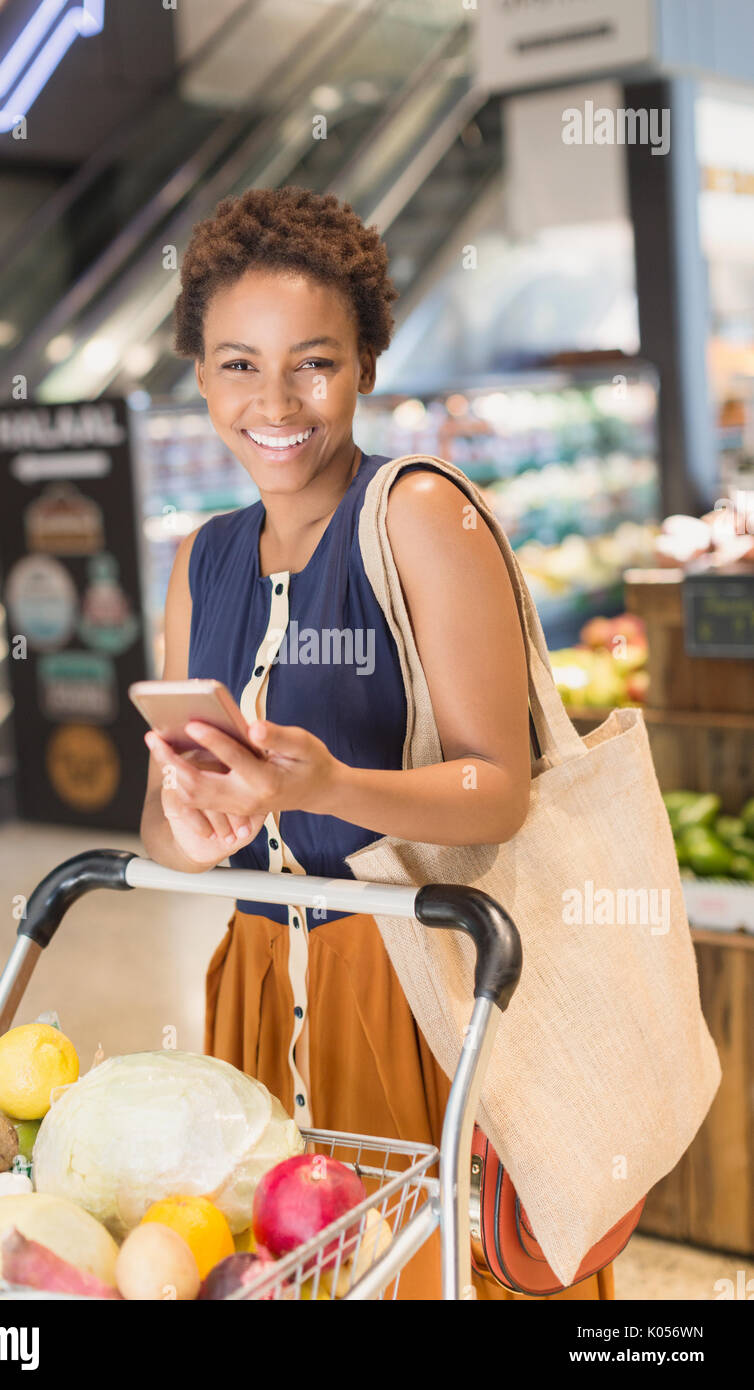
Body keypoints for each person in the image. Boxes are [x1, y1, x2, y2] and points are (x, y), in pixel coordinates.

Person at [139, 184, 613, 1301]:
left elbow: (497, 789)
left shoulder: (416, 514)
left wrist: (335, 782)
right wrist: (198, 826)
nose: (276, 398)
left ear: (364, 364)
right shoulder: (199, 558)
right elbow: (162, 833)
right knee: (297, 1274)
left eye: (314, 361)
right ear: (201, 377)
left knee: (439, 1270)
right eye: (238, 364)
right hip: (254, 982)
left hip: (422, 983)